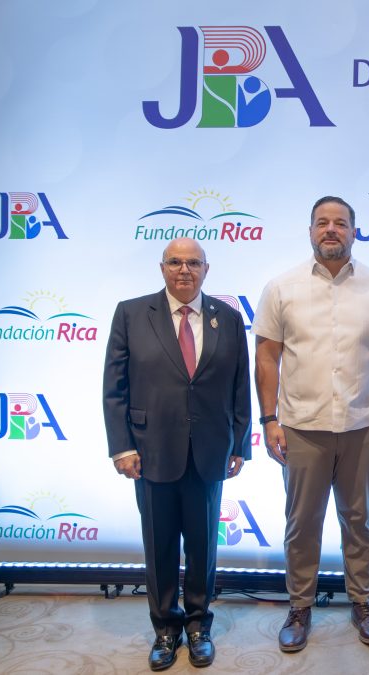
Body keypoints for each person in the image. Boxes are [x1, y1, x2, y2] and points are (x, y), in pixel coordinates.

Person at [252, 196, 369, 652]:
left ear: (356, 231)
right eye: (323, 223)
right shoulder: (282, 287)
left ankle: (362, 602)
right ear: (310, 230)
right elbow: (267, 354)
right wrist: (269, 418)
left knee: (361, 522)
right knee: (302, 523)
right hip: (301, 426)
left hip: (362, 425)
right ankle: (300, 605)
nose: (331, 229)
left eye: (340, 223)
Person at [103, 238, 251, 671]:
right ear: (161, 267)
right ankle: (166, 629)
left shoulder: (229, 318)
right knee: (160, 545)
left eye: (193, 263)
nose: (184, 270)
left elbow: (240, 386)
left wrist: (240, 443)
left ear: (207, 269)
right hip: (150, 453)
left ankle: (199, 627)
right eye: (175, 262)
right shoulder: (131, 314)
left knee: (204, 546)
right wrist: (122, 446)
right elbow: (114, 389)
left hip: (209, 452)